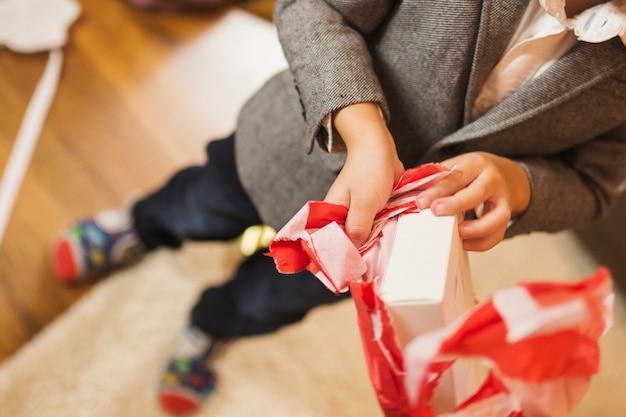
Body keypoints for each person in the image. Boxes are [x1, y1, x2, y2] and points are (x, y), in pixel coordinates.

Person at [51, 0, 626, 414]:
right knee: (195, 205)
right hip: (284, 146)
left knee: (269, 299)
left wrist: (520, 183)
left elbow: (596, 183)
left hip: (380, 248)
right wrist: (364, 131)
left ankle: (211, 328)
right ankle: (139, 227)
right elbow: (315, 8)